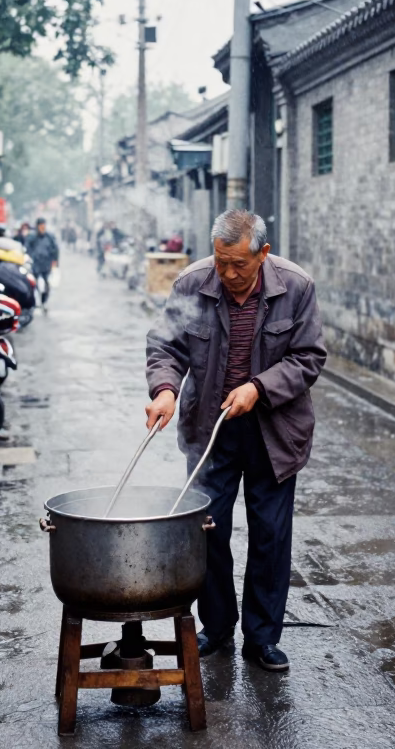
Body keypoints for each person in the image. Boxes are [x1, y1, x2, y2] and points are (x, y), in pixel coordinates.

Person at [145, 210, 326, 673]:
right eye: (220, 261)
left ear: (263, 253)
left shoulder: (296, 287)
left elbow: (308, 356)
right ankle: (218, 625)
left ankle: (262, 638)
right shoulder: (192, 284)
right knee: (207, 531)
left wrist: (259, 387)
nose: (227, 274)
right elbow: (166, 346)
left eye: (238, 264)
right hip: (211, 429)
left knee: (270, 536)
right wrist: (165, 390)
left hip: (274, 431)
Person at [25, 217, 60, 309]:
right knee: (33, 283)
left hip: (46, 264)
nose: (42, 228)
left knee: (47, 284)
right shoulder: (32, 237)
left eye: (44, 225)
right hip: (35, 265)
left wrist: (55, 261)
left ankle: (44, 301)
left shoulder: (50, 237)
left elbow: (55, 250)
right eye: (41, 226)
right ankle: (34, 301)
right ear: (37, 226)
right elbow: (27, 249)